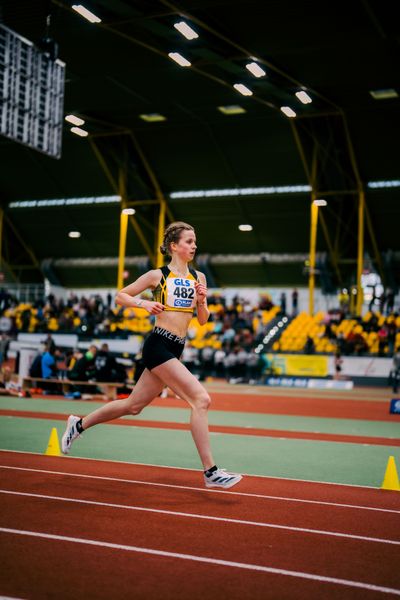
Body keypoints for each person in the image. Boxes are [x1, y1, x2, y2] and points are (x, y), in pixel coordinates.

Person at [61, 221, 242, 489]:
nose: (194, 246)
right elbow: (121, 296)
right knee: (201, 399)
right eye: (189, 241)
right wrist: (143, 303)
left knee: (133, 405)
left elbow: (203, 320)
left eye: (195, 241)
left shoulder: (199, 278)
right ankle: (211, 472)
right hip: (158, 345)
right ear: (174, 246)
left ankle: (78, 425)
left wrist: (202, 301)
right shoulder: (157, 276)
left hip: (176, 348)